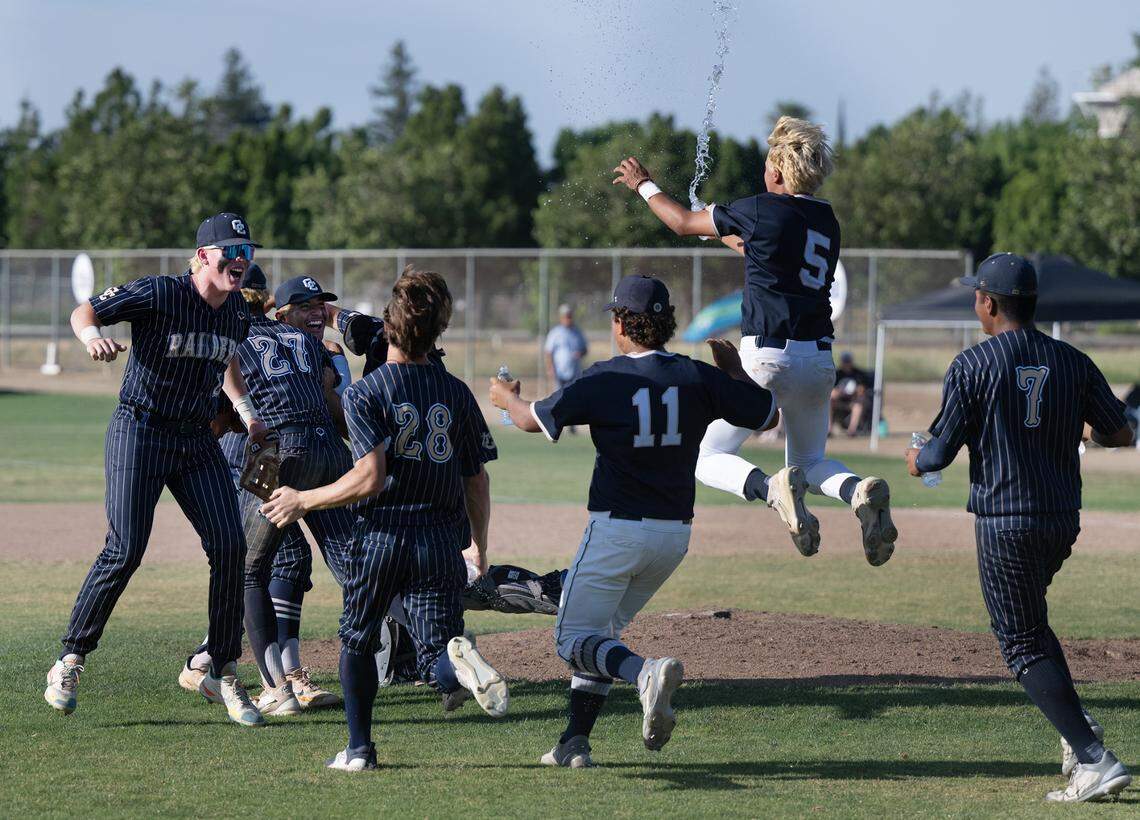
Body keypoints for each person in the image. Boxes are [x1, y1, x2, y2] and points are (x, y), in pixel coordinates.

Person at [490, 275, 778, 768]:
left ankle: (645, 673)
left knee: (572, 640)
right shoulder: (696, 376)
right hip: (674, 536)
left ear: (622, 322)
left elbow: (529, 420)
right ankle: (574, 743)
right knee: (600, 634)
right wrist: (735, 373)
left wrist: (505, 398)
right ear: (664, 324)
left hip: (618, 529)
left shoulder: (606, 377)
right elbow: (767, 416)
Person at [612, 117, 897, 565]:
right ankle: (857, 491)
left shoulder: (763, 208)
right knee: (812, 461)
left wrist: (643, 184)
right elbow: (756, 248)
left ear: (778, 173)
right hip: (818, 359)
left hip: (766, 357)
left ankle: (770, 489)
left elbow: (682, 222)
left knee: (707, 455)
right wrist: (722, 226)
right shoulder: (827, 219)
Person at [906, 254, 1134, 803]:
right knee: (1033, 622)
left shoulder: (972, 365)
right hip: (1061, 519)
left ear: (988, 302)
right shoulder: (1073, 360)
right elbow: (1121, 433)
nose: (974, 303)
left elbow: (937, 455)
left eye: (975, 296)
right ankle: (1079, 731)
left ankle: (1094, 759)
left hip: (1005, 521)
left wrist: (915, 459)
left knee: (1020, 642)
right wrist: (1083, 428)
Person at [260, 269, 508, 772]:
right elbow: (476, 480)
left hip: (381, 535)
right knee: (437, 654)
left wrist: (304, 499)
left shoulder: (366, 392)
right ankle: (459, 663)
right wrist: (477, 544)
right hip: (441, 538)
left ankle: (359, 750)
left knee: (357, 637)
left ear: (389, 329)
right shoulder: (457, 392)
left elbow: (369, 478)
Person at [44, 213, 270, 727]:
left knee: (231, 545)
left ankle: (224, 670)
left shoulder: (236, 310)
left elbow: (225, 357)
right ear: (204, 255)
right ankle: (70, 660)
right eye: (231, 251)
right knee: (125, 549)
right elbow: (86, 311)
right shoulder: (161, 293)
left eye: (248, 253)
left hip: (193, 437)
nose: (241, 260)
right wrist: (91, 339)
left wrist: (248, 412)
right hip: (141, 429)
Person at [179, 274, 353, 715]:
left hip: (268, 453)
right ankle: (253, 668)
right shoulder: (298, 340)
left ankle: (264, 676)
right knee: (285, 560)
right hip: (294, 451)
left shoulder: (227, 334)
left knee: (254, 565)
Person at [831, 351, 873, 437]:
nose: (846, 364)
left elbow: (862, 389)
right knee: (830, 399)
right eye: (844, 361)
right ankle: (829, 429)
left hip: (853, 400)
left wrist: (856, 391)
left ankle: (851, 431)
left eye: (848, 361)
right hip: (839, 401)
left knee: (858, 405)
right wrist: (838, 392)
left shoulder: (859, 374)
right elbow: (832, 390)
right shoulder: (837, 374)